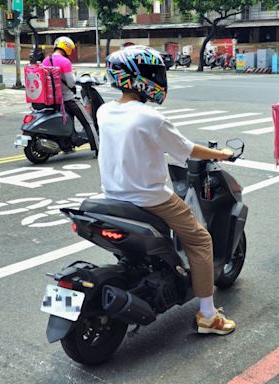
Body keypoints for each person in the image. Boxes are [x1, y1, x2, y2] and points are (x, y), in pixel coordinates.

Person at [97, 45, 237, 335]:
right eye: (154, 73)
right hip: (150, 198)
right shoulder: (150, 118)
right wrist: (221, 154)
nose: (159, 78)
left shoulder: (104, 110)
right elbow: (187, 151)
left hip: (112, 197)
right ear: (140, 78)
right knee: (200, 241)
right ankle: (209, 316)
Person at [42, 36, 99, 156]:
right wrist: (73, 76)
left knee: (67, 122)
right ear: (67, 48)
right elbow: (71, 83)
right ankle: (98, 149)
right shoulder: (65, 62)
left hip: (54, 101)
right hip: (68, 100)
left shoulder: (46, 60)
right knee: (88, 122)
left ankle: (67, 147)